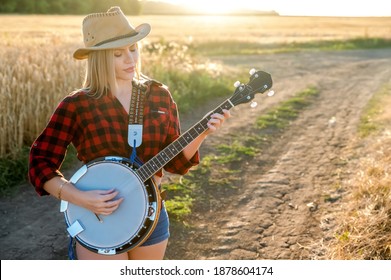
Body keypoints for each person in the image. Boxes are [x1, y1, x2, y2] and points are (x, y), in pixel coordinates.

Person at [28, 6, 230, 260]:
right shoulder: (77, 104)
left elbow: (176, 164)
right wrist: (80, 198)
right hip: (98, 220)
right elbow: (40, 163)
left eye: (133, 49)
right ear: (99, 58)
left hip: (152, 215)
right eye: (118, 54)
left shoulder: (158, 95)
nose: (130, 59)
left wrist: (203, 132)